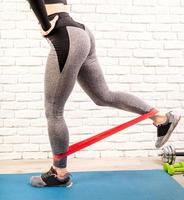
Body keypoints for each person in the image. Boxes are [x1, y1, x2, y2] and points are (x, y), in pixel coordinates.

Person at [26, 0, 181, 188]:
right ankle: (162, 118)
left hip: (65, 36)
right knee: (103, 96)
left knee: (53, 111)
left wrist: (45, 26)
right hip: (81, 32)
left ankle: (60, 174)